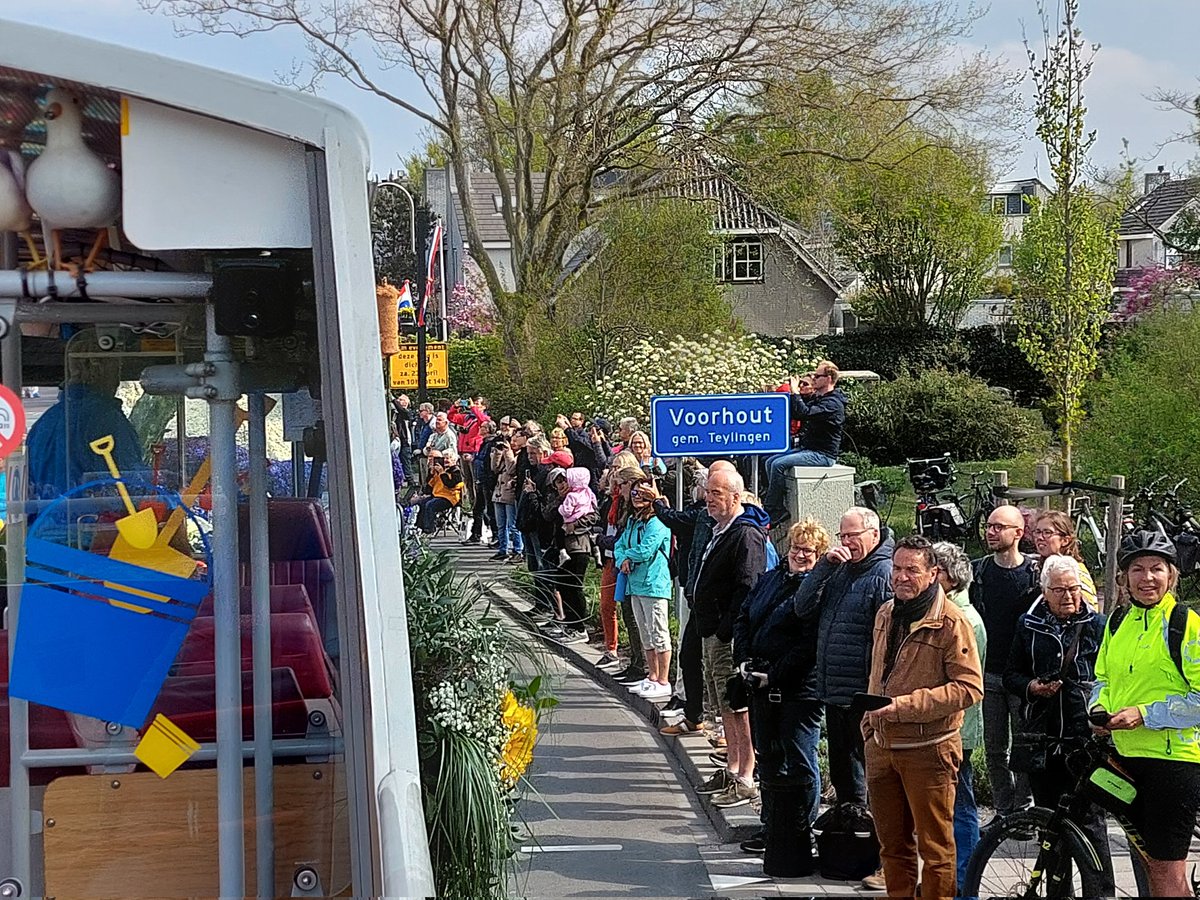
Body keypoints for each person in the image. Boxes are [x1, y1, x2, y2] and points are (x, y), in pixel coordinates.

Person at [862, 534, 983, 900]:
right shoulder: (886, 612)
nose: (901, 577)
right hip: (882, 747)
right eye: (896, 568)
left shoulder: (951, 622)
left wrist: (903, 706)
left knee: (936, 850)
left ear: (933, 574)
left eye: (911, 570)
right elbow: (877, 672)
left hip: (929, 750)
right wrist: (868, 724)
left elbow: (969, 689)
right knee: (892, 847)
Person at [1091, 530, 1200, 898]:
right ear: (1124, 577)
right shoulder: (1118, 622)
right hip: (1126, 756)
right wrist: (1098, 707)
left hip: (1173, 763)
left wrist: (1145, 714)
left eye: (1157, 569)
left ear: (1172, 576)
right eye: (1137, 569)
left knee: (1168, 877)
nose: (1147, 578)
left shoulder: (1186, 625)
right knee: (1151, 867)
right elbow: (1102, 678)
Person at [1006, 554, 1114, 895]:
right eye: (1059, 590)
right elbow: (1011, 674)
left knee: (1092, 821)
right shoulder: (1028, 625)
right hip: (1043, 738)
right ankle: (1058, 892)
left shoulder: (1099, 626)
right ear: (1044, 591)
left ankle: (1101, 892)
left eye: (1074, 589)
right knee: (1049, 822)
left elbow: (1111, 677)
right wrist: (1033, 687)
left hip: (1085, 738)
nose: (1068, 596)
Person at [735, 517, 830, 871]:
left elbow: (807, 645)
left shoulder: (815, 590)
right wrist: (745, 659)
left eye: (808, 550)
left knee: (801, 759)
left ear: (819, 555)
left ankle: (800, 831)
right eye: (796, 548)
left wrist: (773, 675)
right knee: (769, 756)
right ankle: (772, 827)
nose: (800, 555)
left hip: (798, 688)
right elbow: (745, 616)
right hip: (759, 681)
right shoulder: (773, 577)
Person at [792, 506, 893, 807]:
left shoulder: (883, 574)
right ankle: (848, 837)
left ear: (874, 534)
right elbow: (802, 606)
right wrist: (823, 567)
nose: (847, 542)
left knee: (864, 775)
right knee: (843, 777)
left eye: (853, 535)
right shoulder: (838, 569)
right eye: (843, 535)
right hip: (834, 691)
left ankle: (868, 839)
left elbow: (888, 641)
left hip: (862, 693)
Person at [691, 467, 768, 808]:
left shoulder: (745, 534)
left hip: (728, 635)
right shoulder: (720, 529)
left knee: (738, 702)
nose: (709, 498)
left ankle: (746, 775)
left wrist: (726, 628)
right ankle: (734, 765)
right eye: (708, 492)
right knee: (725, 703)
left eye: (717, 493)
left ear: (735, 497)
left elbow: (748, 586)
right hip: (712, 630)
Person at [971, 504, 1040, 820]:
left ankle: (1023, 811)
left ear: (1018, 532)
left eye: (999, 526)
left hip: (1022, 677)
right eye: (989, 526)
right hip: (987, 673)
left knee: (1023, 749)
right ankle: (1003, 811)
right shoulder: (979, 571)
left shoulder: (1035, 575)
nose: (991, 532)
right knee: (995, 749)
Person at [27, 328, 147, 501]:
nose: (118, 378)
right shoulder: (106, 419)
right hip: (94, 524)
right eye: (116, 367)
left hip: (44, 524)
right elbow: (133, 488)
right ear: (100, 369)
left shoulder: (44, 423)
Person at [933, 541, 987, 894]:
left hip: (957, 730)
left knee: (962, 808)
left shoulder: (963, 618)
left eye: (932, 570)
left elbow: (964, 683)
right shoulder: (943, 611)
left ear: (950, 578)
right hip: (945, 729)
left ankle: (966, 882)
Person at [762, 360, 847, 526]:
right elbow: (797, 409)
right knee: (769, 460)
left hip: (823, 455)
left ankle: (774, 509)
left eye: (817, 376)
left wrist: (795, 393)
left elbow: (804, 413)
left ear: (829, 378)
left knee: (778, 464)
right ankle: (776, 499)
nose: (813, 379)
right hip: (808, 448)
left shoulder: (833, 404)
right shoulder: (820, 397)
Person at [614, 475, 674, 698]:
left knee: (659, 632)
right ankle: (651, 676)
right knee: (644, 632)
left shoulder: (657, 522)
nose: (636, 496)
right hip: (635, 584)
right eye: (634, 492)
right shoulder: (632, 520)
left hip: (653, 583)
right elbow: (620, 545)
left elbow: (646, 549)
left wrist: (628, 557)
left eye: (641, 492)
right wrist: (622, 559)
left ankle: (663, 679)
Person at [542, 467, 597, 644]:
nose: (563, 485)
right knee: (562, 585)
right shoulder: (562, 498)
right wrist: (560, 499)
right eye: (558, 482)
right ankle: (569, 623)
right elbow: (549, 515)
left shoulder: (585, 495)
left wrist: (577, 523)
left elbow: (594, 516)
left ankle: (580, 627)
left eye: (565, 481)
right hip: (562, 546)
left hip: (578, 545)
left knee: (574, 586)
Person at [1032, 509, 1098, 606]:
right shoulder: (1038, 568)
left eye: (1047, 532)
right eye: (1037, 532)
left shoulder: (1076, 571)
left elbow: (1088, 609)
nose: (1040, 537)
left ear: (1065, 540)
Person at [489, 429, 522, 562]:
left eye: (514, 441)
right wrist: (498, 452)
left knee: (513, 524)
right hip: (499, 491)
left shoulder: (519, 454)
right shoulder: (503, 453)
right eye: (510, 441)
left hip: (510, 492)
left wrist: (508, 452)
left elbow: (511, 469)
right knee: (500, 524)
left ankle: (517, 550)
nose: (512, 443)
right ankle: (503, 549)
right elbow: (494, 468)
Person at [416, 449, 463, 533]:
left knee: (429, 505)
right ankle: (419, 527)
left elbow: (450, 484)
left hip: (450, 498)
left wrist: (442, 473)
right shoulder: (440, 470)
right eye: (444, 458)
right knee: (422, 503)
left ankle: (429, 529)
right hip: (438, 496)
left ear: (454, 460)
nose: (446, 460)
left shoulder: (456, 471)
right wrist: (431, 474)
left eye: (448, 458)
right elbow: (428, 488)